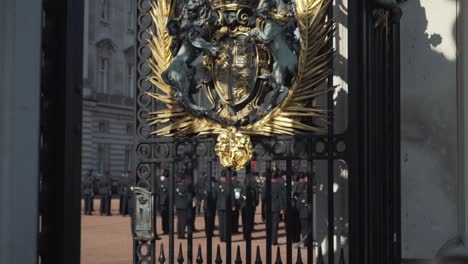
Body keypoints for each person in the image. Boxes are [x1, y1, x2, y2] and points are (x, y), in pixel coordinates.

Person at [262, 170, 286, 245]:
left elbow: (263, 198)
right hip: (276, 207)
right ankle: (274, 240)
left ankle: (268, 239)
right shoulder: (279, 185)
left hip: (268, 207)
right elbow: (281, 198)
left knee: (268, 224)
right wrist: (282, 208)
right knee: (275, 225)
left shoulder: (266, 185)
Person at [175, 167, 194, 239]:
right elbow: (189, 196)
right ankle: (182, 234)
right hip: (184, 205)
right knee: (183, 221)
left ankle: (178, 234)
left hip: (178, 205)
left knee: (179, 220)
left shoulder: (176, 186)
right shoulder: (186, 185)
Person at [241, 172, 258, 240]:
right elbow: (254, 198)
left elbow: (239, 197)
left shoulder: (242, 188)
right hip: (249, 207)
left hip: (243, 207)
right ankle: (248, 235)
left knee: (244, 222)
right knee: (248, 222)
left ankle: (245, 235)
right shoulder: (251, 189)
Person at [157, 169, 170, 234]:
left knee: (166, 216)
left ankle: (166, 229)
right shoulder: (158, 179)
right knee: (164, 216)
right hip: (161, 201)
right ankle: (165, 229)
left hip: (166, 201)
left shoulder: (167, 180)